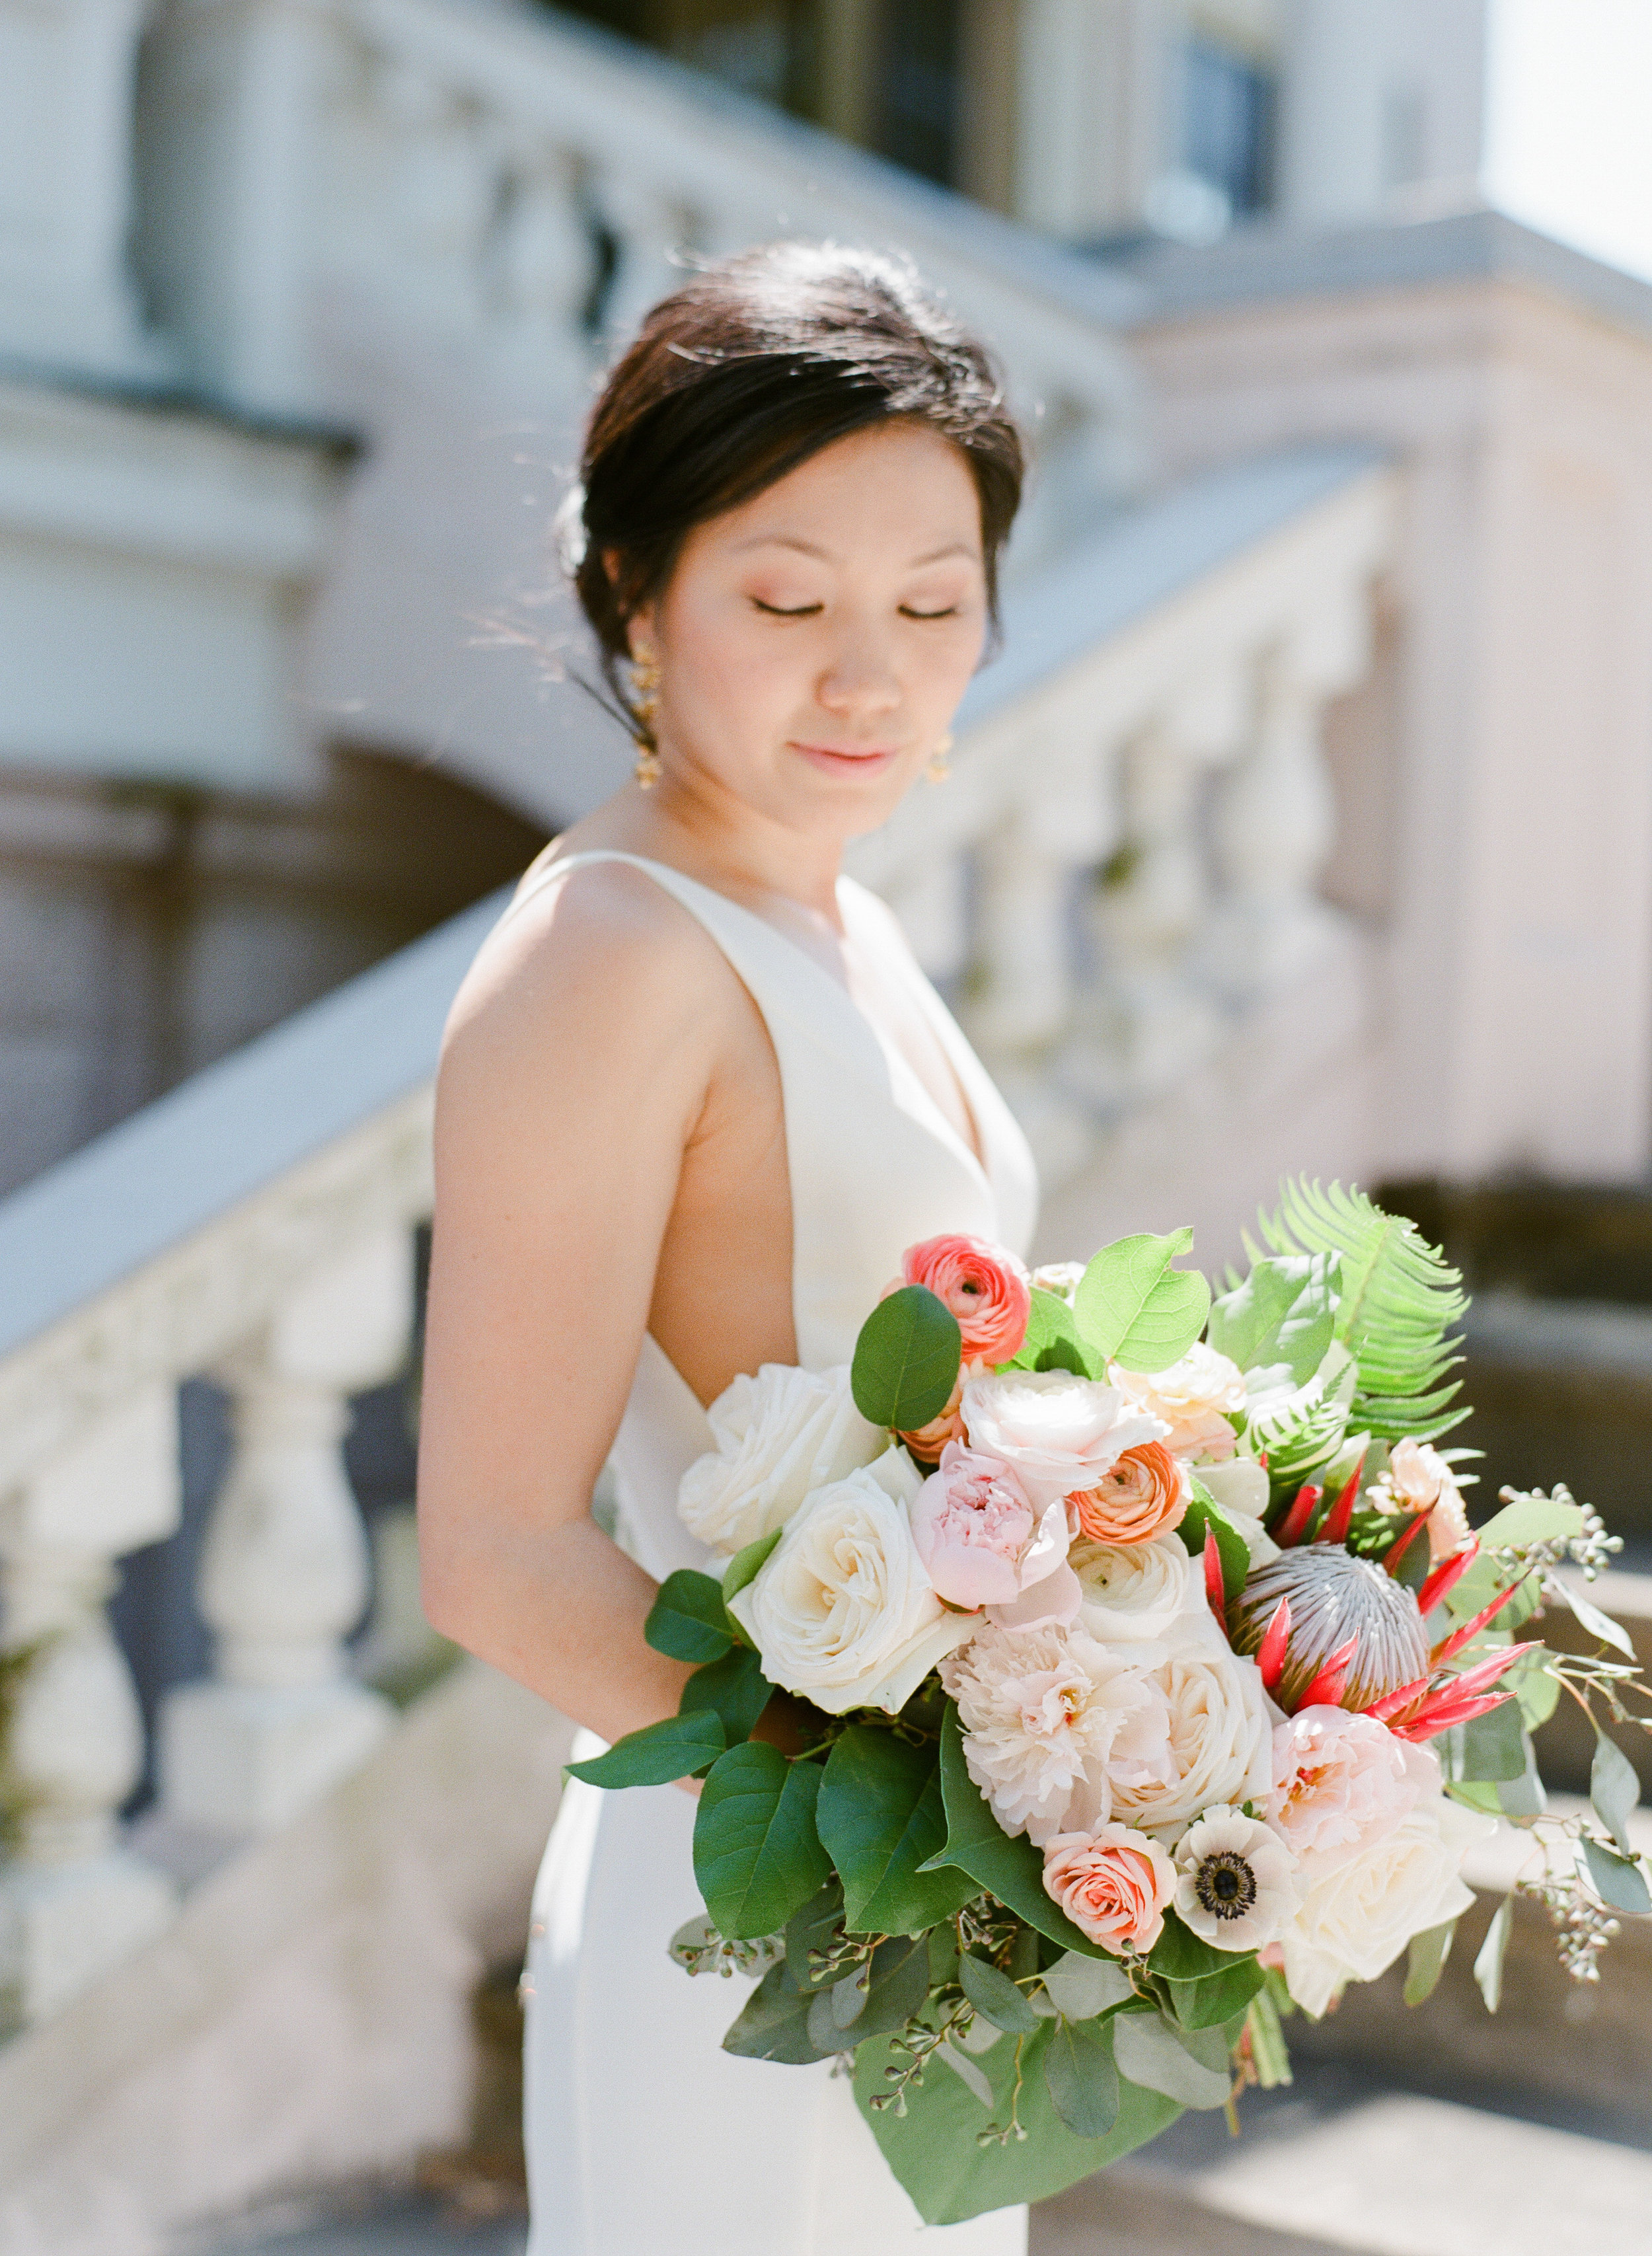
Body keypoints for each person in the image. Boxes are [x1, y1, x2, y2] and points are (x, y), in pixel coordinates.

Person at [418, 241, 1038, 2253]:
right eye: (788, 600)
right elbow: (495, 1549)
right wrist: (888, 1829)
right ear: (638, 593)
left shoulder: (841, 923)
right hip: (766, 1913)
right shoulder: (607, 954)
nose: (872, 674)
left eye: (932, 606)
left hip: (929, 1931)